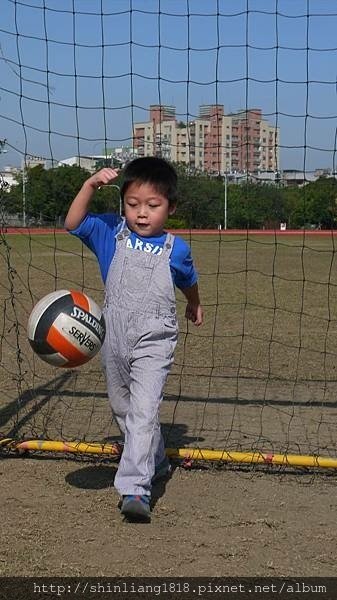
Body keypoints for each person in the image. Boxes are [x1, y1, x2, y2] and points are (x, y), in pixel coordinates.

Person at [65, 157, 203, 522]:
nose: (142, 213)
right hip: (114, 335)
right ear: (122, 204)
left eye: (153, 206)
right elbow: (73, 222)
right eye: (132, 204)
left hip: (155, 339)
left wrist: (194, 304)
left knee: (143, 410)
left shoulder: (177, 249)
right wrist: (89, 185)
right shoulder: (111, 233)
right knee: (124, 409)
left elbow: (188, 280)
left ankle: (135, 489)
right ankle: (155, 460)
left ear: (170, 207)